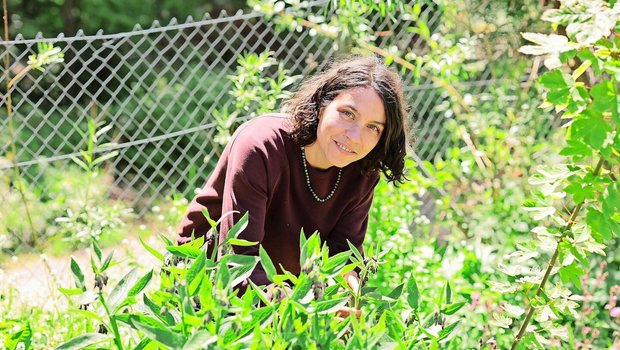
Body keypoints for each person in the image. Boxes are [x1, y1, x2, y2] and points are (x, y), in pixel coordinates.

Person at [177, 55, 408, 294]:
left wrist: (348, 295)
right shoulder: (260, 146)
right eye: (348, 113)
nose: (355, 137)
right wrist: (298, 308)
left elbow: (342, 254)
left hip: (286, 290)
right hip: (206, 278)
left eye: (373, 127)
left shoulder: (362, 170)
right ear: (322, 106)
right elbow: (237, 259)